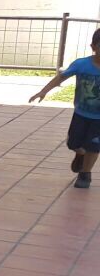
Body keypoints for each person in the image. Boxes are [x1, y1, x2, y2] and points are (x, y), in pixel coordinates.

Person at [33, 28, 100, 188]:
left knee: (94, 146)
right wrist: (44, 91)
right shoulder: (82, 64)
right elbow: (61, 77)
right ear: (93, 46)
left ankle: (85, 174)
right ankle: (80, 153)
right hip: (81, 114)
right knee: (73, 143)